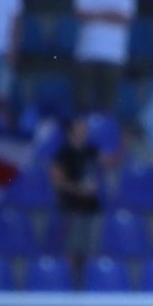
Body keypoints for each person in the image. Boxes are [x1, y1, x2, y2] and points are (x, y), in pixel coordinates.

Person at [72, 0, 136, 116]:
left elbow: (124, 19)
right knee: (82, 102)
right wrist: (110, 14)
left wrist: (95, 13)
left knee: (108, 103)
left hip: (113, 56)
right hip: (86, 54)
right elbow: (81, 14)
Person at [49, 116, 105, 282]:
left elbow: (104, 165)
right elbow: (56, 181)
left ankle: (90, 285)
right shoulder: (63, 153)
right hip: (71, 208)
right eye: (80, 127)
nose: (84, 131)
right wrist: (79, 189)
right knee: (71, 250)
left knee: (91, 250)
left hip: (92, 207)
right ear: (72, 130)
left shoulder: (91, 150)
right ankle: (69, 286)